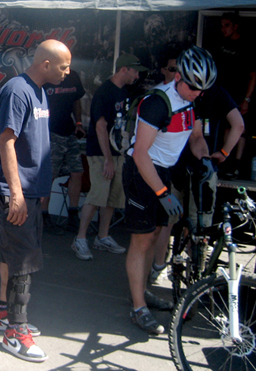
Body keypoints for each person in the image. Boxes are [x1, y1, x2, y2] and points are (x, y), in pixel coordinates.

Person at [0, 39, 72, 362]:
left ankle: (1, 314)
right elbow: (6, 141)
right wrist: (17, 194)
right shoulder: (18, 90)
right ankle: (14, 332)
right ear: (45, 64)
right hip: (15, 190)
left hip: (29, 190)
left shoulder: (39, 91)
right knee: (22, 260)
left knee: (14, 254)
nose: (68, 73)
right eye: (63, 67)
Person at [124, 46, 216, 335]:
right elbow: (140, 154)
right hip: (143, 171)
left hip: (164, 171)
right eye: (192, 87)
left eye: (203, 89)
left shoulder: (194, 100)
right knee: (141, 240)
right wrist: (163, 192)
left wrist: (205, 162)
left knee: (154, 236)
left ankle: (142, 291)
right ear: (178, 76)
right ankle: (138, 307)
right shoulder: (157, 103)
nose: (197, 94)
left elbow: (197, 137)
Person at [148, 58, 245, 284]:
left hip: (174, 163)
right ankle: (196, 274)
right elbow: (238, 125)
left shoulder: (174, 93)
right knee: (199, 223)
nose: (196, 93)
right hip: (203, 164)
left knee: (167, 221)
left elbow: (197, 135)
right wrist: (223, 153)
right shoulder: (217, 93)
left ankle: (159, 266)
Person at [70, 53, 147, 261]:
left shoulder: (124, 91)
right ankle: (80, 239)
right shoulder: (104, 92)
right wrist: (107, 159)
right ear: (124, 69)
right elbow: (100, 126)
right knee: (96, 196)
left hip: (118, 152)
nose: (137, 76)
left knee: (112, 198)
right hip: (101, 154)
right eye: (135, 72)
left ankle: (103, 236)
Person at [41, 69, 86, 233]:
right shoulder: (46, 76)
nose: (66, 67)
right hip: (50, 132)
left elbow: (76, 100)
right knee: (49, 175)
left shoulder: (73, 75)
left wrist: (79, 122)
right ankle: (43, 216)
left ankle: (73, 215)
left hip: (69, 130)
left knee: (77, 172)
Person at [213, 12, 256, 179]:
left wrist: (246, 99)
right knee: (224, 127)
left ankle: (236, 165)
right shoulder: (221, 45)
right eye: (221, 26)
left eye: (227, 25)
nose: (223, 29)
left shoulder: (246, 46)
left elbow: (254, 75)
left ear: (235, 26)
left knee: (239, 128)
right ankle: (224, 162)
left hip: (238, 95)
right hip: (222, 93)